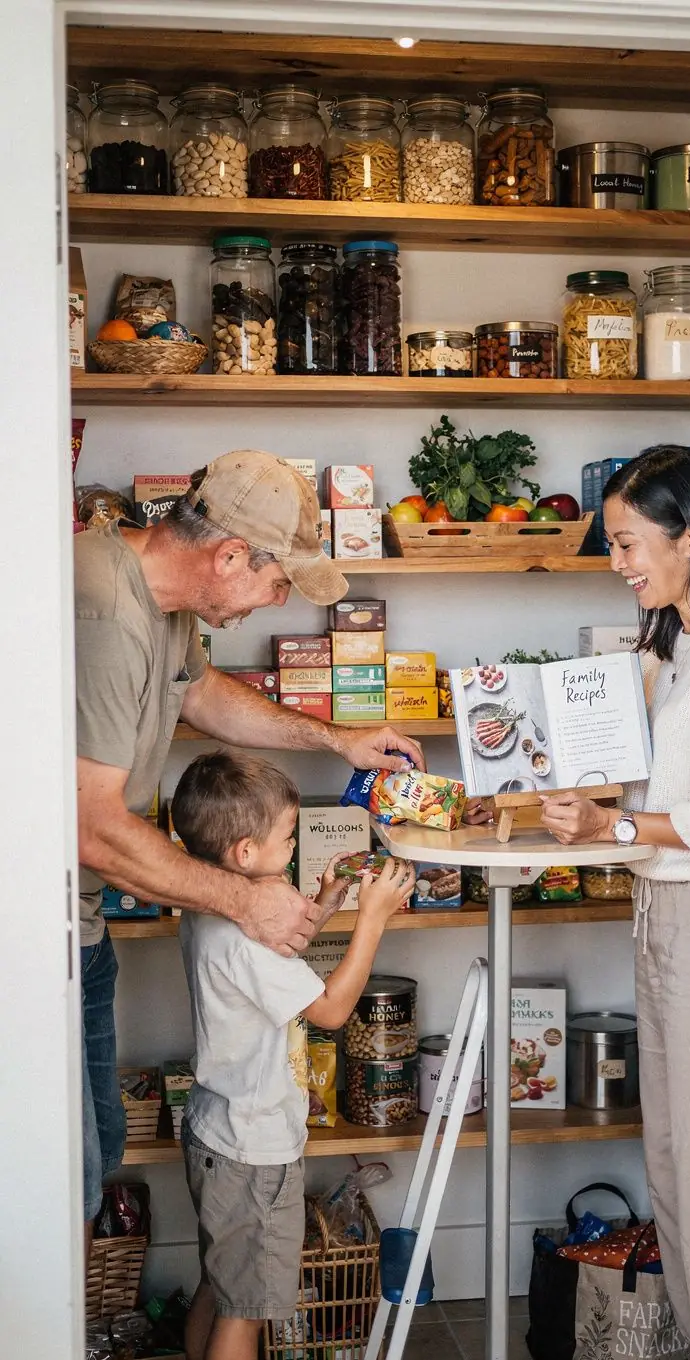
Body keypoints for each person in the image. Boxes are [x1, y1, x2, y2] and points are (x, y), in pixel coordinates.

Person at [75, 450, 423, 1241]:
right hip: (38, 940)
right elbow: (89, 825)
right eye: (277, 583)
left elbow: (201, 694)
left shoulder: (162, 604)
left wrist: (338, 740)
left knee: (96, 1149)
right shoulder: (101, 610)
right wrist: (248, 902)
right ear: (230, 555)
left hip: (83, 928)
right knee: (71, 1166)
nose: (275, 601)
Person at [536, 446, 690, 1360]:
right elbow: (641, 790)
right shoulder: (664, 652)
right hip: (660, 916)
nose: (618, 559)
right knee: (671, 1160)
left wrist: (614, 829)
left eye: (628, 541)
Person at [170, 750, 415, 1360]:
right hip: (254, 1150)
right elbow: (334, 1009)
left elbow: (280, 950)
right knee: (242, 1312)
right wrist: (373, 919)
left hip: (216, 1131)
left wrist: (329, 901)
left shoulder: (215, 907)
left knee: (219, 1289)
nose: (295, 844)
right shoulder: (242, 941)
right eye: (287, 837)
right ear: (246, 852)